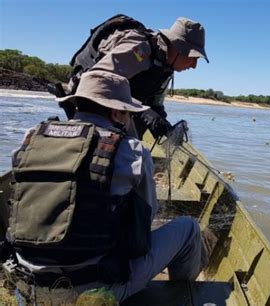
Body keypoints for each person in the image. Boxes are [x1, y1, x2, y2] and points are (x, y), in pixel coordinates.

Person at [5, 70, 203, 302]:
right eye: (128, 112)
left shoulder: (31, 138)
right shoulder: (132, 150)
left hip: (26, 283)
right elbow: (144, 223)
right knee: (188, 228)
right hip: (91, 292)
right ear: (117, 111)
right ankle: (181, 296)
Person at [66, 14, 209, 139]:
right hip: (87, 96)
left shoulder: (165, 66)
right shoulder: (139, 50)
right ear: (179, 48)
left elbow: (155, 103)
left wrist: (162, 123)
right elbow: (97, 82)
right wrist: (145, 113)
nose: (194, 65)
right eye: (193, 57)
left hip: (117, 105)